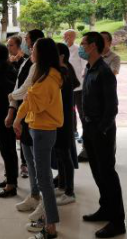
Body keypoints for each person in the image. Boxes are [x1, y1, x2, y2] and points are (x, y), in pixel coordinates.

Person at [14, 37, 64, 239]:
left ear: (41, 53)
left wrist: (22, 104)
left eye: (33, 48)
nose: (30, 51)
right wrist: (18, 118)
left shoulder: (49, 78)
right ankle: (47, 220)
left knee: (44, 179)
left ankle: (50, 227)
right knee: (43, 177)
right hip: (37, 128)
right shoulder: (42, 74)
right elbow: (29, 101)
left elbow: (33, 102)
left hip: (44, 131)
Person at [80, 32, 126, 238]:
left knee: (107, 174)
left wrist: (101, 130)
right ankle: (105, 208)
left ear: (92, 46)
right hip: (89, 128)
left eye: (83, 44)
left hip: (101, 130)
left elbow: (112, 107)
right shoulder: (90, 68)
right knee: (98, 172)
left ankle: (117, 221)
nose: (81, 47)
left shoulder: (104, 72)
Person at [8, 29, 45, 220]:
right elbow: (20, 86)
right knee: (29, 158)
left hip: (37, 120)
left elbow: (25, 90)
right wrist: (14, 108)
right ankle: (34, 194)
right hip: (26, 115)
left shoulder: (41, 67)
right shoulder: (28, 62)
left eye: (27, 40)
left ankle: (44, 204)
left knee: (40, 164)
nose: (25, 43)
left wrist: (11, 97)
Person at [0, 43, 19, 198]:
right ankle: (11, 179)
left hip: (1, 116)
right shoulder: (12, 70)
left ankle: (10, 185)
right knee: (11, 149)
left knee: (6, 150)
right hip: (12, 112)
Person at [54, 43, 80, 206]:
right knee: (60, 153)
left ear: (61, 56)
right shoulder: (64, 69)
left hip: (64, 119)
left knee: (64, 154)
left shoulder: (64, 71)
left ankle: (69, 191)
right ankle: (62, 185)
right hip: (60, 117)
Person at [7, 35, 29, 178]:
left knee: (23, 132)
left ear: (19, 46)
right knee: (12, 133)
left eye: (11, 45)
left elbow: (23, 83)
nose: (9, 48)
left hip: (21, 101)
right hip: (10, 101)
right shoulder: (7, 61)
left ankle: (24, 163)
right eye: (8, 45)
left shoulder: (26, 60)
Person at [63, 29, 87, 151]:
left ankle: (85, 133)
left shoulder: (79, 50)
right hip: (67, 87)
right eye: (65, 36)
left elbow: (84, 65)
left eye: (68, 36)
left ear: (73, 37)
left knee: (81, 110)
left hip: (79, 86)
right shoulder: (62, 50)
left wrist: (83, 75)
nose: (66, 38)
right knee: (69, 111)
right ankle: (73, 131)